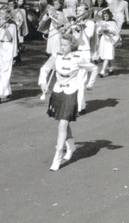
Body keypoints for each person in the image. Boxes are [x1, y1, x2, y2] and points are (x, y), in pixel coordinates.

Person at [39, 35, 97, 171]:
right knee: (63, 121)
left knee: (62, 125)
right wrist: (42, 82)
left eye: (65, 45)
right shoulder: (55, 56)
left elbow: (93, 68)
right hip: (58, 92)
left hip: (71, 92)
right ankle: (71, 145)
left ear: (72, 46)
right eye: (61, 45)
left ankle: (57, 157)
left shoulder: (78, 58)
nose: (62, 47)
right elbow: (44, 69)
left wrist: (90, 84)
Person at [95, 9, 118, 76]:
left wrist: (109, 31)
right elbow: (98, 31)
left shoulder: (113, 22)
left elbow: (115, 32)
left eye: (107, 16)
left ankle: (102, 71)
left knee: (108, 54)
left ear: (109, 16)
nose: (105, 18)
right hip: (104, 40)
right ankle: (110, 67)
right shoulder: (102, 22)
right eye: (104, 16)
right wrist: (101, 29)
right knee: (104, 55)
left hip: (110, 39)